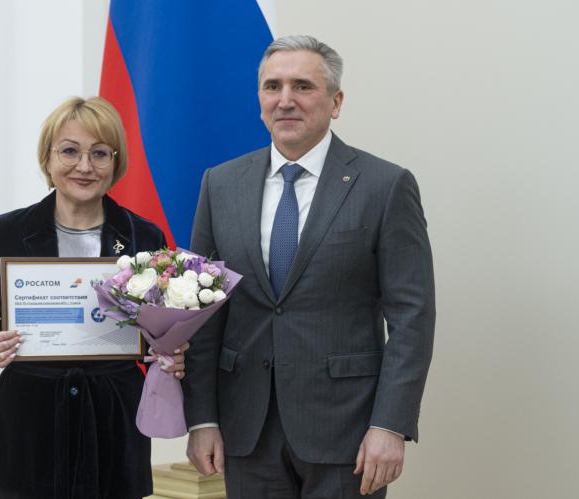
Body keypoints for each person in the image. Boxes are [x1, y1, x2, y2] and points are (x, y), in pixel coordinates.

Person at [183, 35, 435, 498]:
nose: (285, 100)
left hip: (348, 431)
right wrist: (202, 418)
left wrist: (390, 425)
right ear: (259, 99)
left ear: (335, 102)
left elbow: (412, 318)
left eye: (302, 86)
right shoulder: (220, 184)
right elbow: (204, 313)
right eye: (272, 86)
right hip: (246, 428)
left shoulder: (385, 185)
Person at [0, 96, 187, 499]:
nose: (84, 166)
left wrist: (173, 352)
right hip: (27, 424)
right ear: (47, 158)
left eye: (100, 153)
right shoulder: (9, 231)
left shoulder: (144, 237)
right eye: (70, 151)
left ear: (115, 162)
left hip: (112, 421)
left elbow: (161, 329)